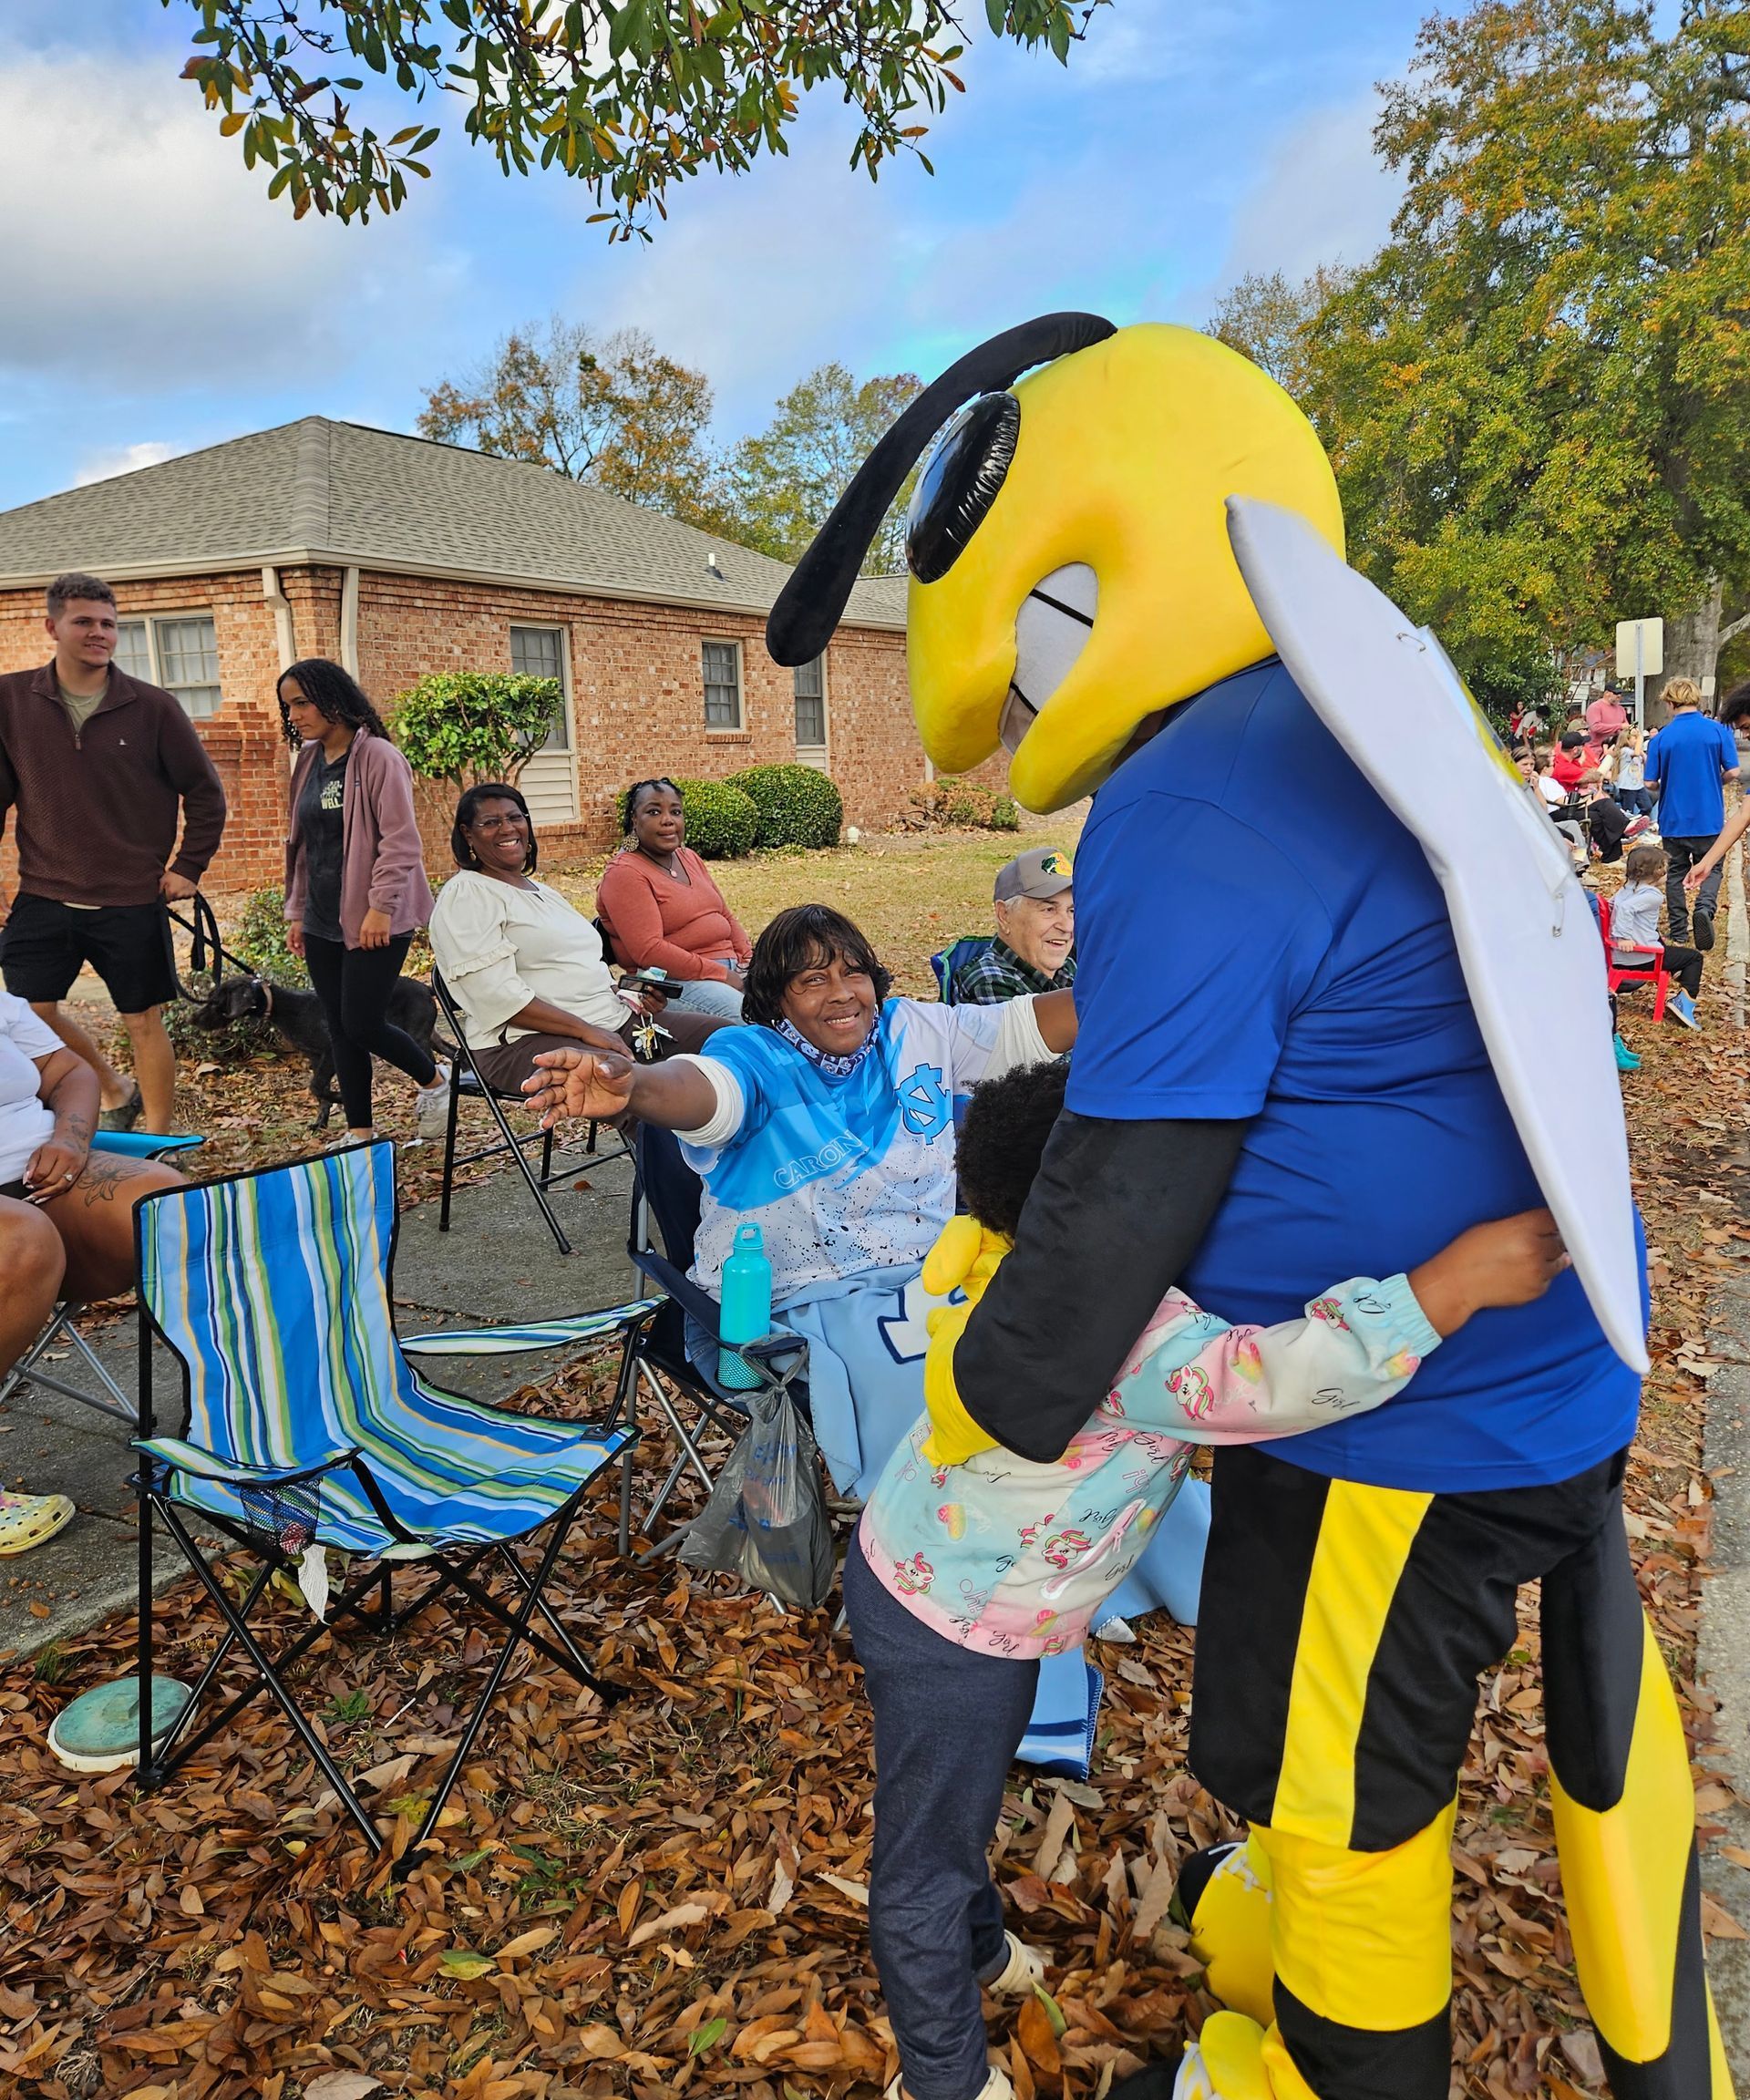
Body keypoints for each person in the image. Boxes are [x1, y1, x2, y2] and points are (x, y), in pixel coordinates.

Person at [765, 316, 1724, 2097]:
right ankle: (1638, 2045)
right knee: (1506, 1725)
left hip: (1427, 1426)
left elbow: (1133, 1180)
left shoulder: (1198, 792)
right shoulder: (1363, 710)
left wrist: (1001, 1394)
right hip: (1509, 1371)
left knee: (1360, 1807)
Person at [849, 1058, 1569, 2100]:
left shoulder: (1028, 1261)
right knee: (924, 1848)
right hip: (951, 1626)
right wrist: (1443, 1290)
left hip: (930, 1583)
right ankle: (943, 2075)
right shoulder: (1121, 1334)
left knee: (952, 1797)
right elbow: (1273, 1379)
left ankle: (972, 1948)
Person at [522, 902, 1076, 1498]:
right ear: (777, 998)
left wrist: (1151, 982)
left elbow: (1029, 1024)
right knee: (933, 1378)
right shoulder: (753, 1059)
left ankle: (1076, 1526)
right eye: (812, 980)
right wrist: (635, 1085)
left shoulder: (916, 1031)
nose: (841, 994)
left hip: (933, 1278)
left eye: (853, 973)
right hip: (799, 1298)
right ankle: (936, 1534)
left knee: (1050, 1345)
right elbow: (702, 1094)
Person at [0, 571, 227, 1135]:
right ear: (53, 627)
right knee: (29, 1014)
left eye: (108, 624)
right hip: (44, 891)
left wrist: (187, 867)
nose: (99, 633)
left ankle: (159, 1134)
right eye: (84, 622)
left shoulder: (153, 708)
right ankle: (109, 1085)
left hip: (130, 897)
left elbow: (204, 792)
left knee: (142, 1020)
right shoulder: (10, 700)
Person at [0, 988, 186, 1553]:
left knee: (169, 1205)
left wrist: (70, 1138)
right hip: (20, 1228)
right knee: (23, 1242)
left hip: (37, 1174)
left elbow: (68, 1071)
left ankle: (249, 1409)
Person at [428, 783, 733, 1099]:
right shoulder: (468, 895)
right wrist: (587, 1031)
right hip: (525, 1042)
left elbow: (576, 970)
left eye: (515, 818)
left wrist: (627, 995)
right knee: (632, 1086)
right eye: (491, 822)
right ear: (467, 834)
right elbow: (498, 999)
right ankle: (674, 1143)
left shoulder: (542, 892)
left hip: (611, 1022)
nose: (507, 828)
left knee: (731, 1039)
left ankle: (753, 1135)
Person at [280, 660, 446, 1145]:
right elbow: (303, 843)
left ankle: (435, 1084)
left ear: (334, 699)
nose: (294, 715)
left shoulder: (378, 757)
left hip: (377, 915)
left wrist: (381, 905)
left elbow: (400, 841)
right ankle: (360, 1132)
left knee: (362, 1021)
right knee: (339, 1027)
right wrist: (297, 910)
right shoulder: (308, 760)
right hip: (321, 917)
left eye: (302, 703)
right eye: (288, 706)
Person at [596, 777, 753, 1019]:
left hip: (730, 968)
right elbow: (649, 951)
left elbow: (724, 914)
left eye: (676, 811)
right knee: (742, 1014)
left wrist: (747, 958)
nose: (668, 820)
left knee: (792, 997)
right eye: (654, 811)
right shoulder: (625, 873)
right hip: (669, 983)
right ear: (634, 820)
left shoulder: (688, 857)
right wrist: (723, 975)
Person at [1646, 674, 1739, 949]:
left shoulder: (1662, 737)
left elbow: (1650, 782)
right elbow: (1733, 771)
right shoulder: (1717, 731)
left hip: (1673, 818)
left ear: (1671, 702)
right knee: (1712, 867)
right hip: (1708, 816)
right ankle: (1705, 908)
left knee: (1675, 871)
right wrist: (1715, 778)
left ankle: (1678, 929)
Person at [946, 848, 1076, 1003]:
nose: (1067, 927)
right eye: (1049, 909)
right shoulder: (989, 983)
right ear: (1004, 915)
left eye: (1072, 910)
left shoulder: (1068, 968)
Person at [1613, 842, 1703, 1029]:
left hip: (1618, 954)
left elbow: (1613, 905)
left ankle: (1679, 973)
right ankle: (1685, 1003)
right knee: (1694, 958)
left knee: (1660, 938)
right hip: (1641, 957)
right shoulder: (1653, 895)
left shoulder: (1627, 888)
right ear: (1658, 872)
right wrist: (1623, 937)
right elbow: (1626, 909)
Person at [1611, 723, 1652, 816]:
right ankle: (1626, 825)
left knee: (1647, 807)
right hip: (1627, 786)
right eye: (1634, 738)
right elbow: (1636, 753)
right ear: (1627, 739)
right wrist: (1640, 737)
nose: (1636, 740)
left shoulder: (1636, 751)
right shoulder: (1624, 751)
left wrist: (1643, 753)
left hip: (1638, 785)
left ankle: (1637, 821)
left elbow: (1646, 760)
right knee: (1628, 811)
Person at [1585, 685, 1630, 766]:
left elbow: (1625, 727)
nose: (1619, 696)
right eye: (1616, 693)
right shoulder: (1595, 707)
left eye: (1620, 693)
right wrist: (1619, 726)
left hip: (1616, 750)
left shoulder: (1621, 709)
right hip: (1596, 751)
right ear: (1607, 693)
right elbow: (1595, 727)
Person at [1549, 728, 1590, 794]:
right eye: (1583, 745)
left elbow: (1583, 783)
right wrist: (1609, 756)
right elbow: (1595, 777)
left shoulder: (1562, 760)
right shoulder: (1564, 767)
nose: (1584, 748)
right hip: (1567, 801)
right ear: (1575, 750)